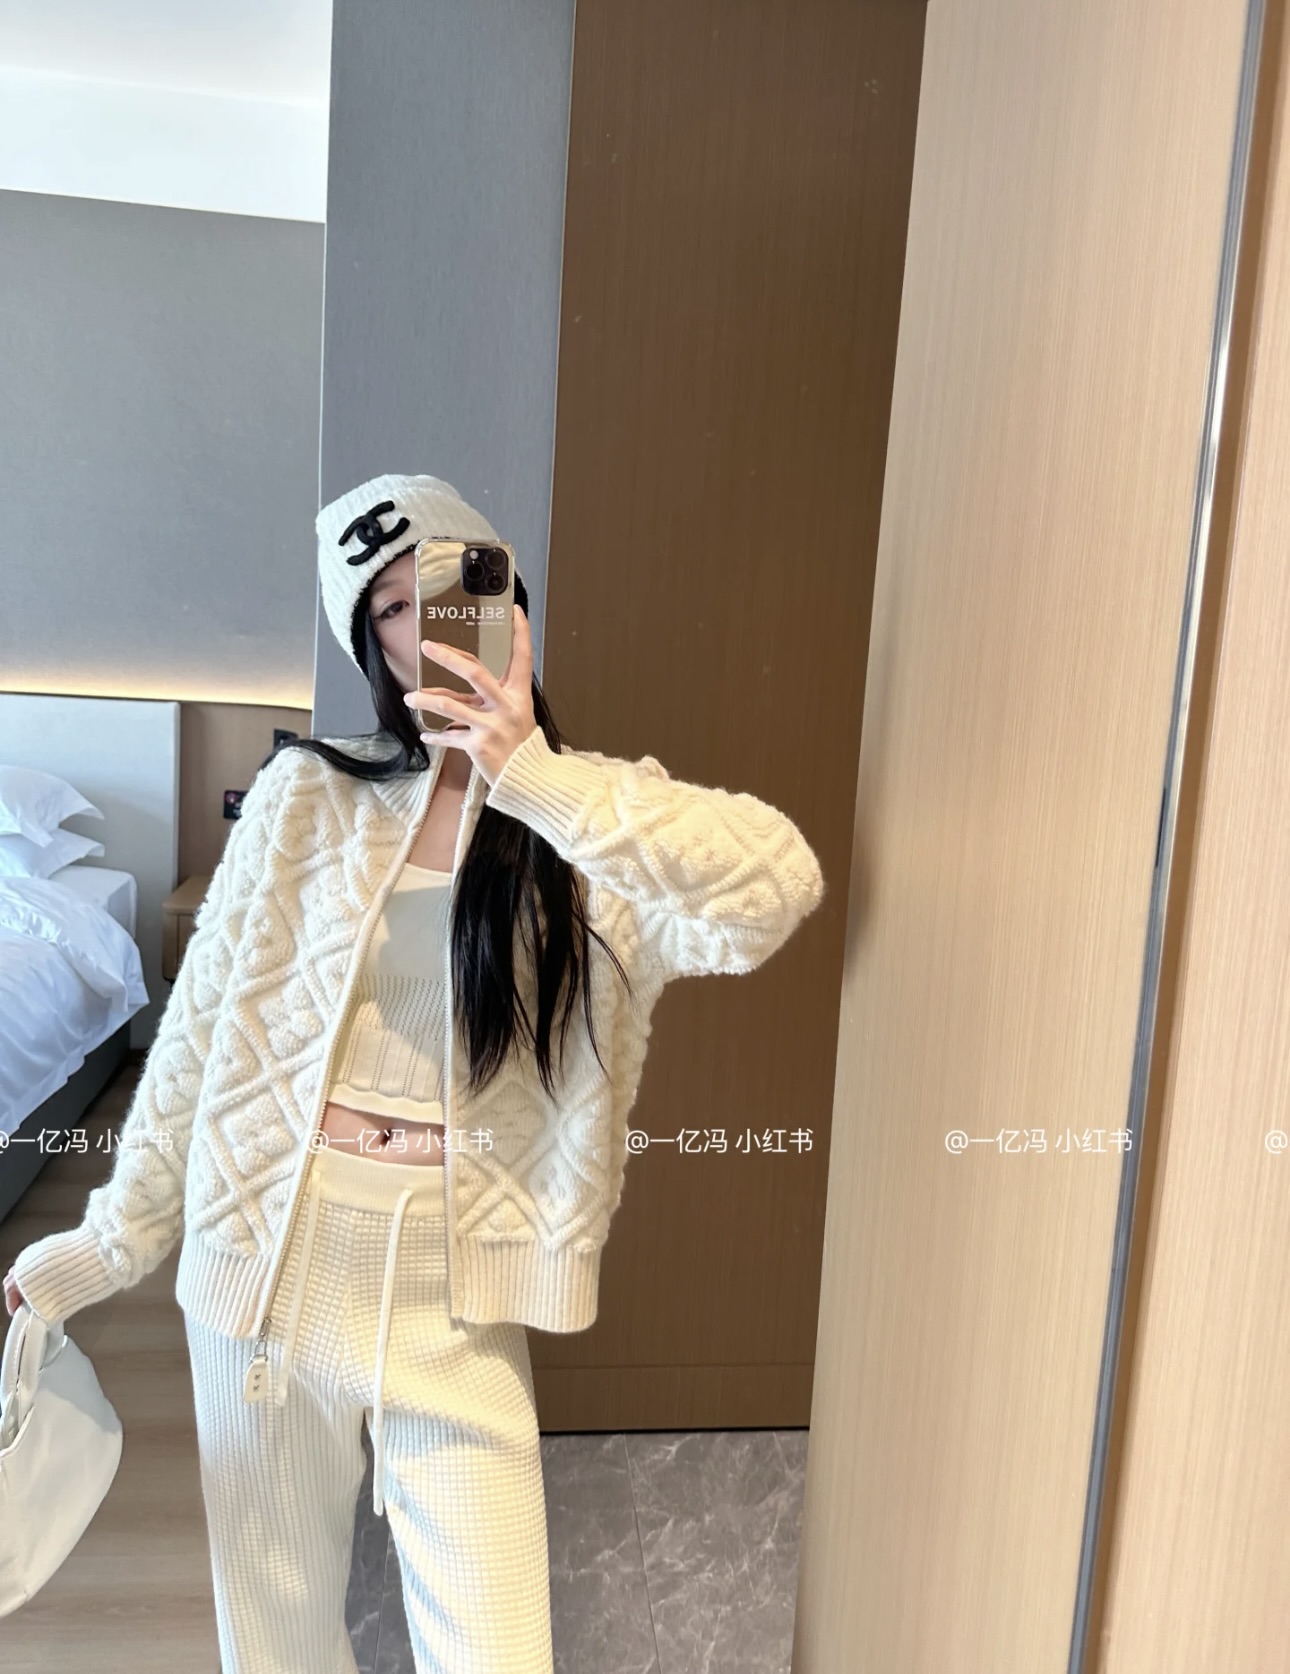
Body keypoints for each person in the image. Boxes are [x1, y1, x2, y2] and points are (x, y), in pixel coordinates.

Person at [5, 473, 827, 1673]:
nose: (426, 625)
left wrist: (531, 772)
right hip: (270, 1275)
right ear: (372, 646)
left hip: (458, 1296)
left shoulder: (594, 826)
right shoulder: (306, 797)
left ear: (508, 600)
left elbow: (776, 889)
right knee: (278, 1651)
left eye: (450, 586)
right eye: (390, 606)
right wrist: (102, 1248)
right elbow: (195, 1043)